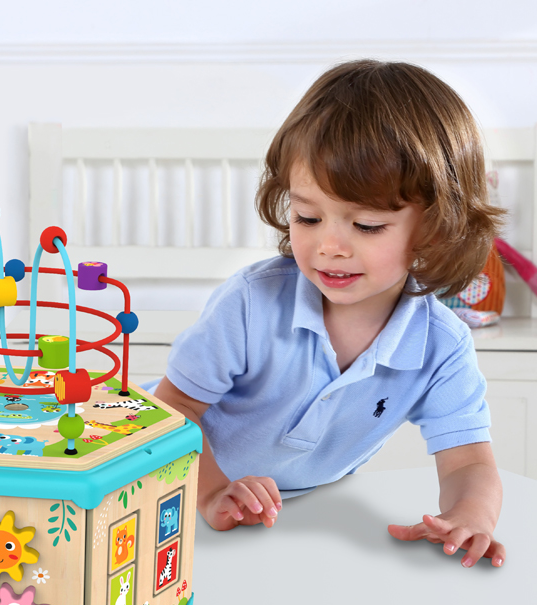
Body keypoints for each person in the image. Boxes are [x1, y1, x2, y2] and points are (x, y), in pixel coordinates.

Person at [153, 59, 507, 568]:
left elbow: (468, 460)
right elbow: (172, 410)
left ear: (434, 227)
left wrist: (469, 517)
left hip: (299, 513)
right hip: (169, 483)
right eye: (308, 217)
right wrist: (210, 492)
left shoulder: (441, 345)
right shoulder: (252, 303)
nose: (329, 246)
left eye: (366, 225)